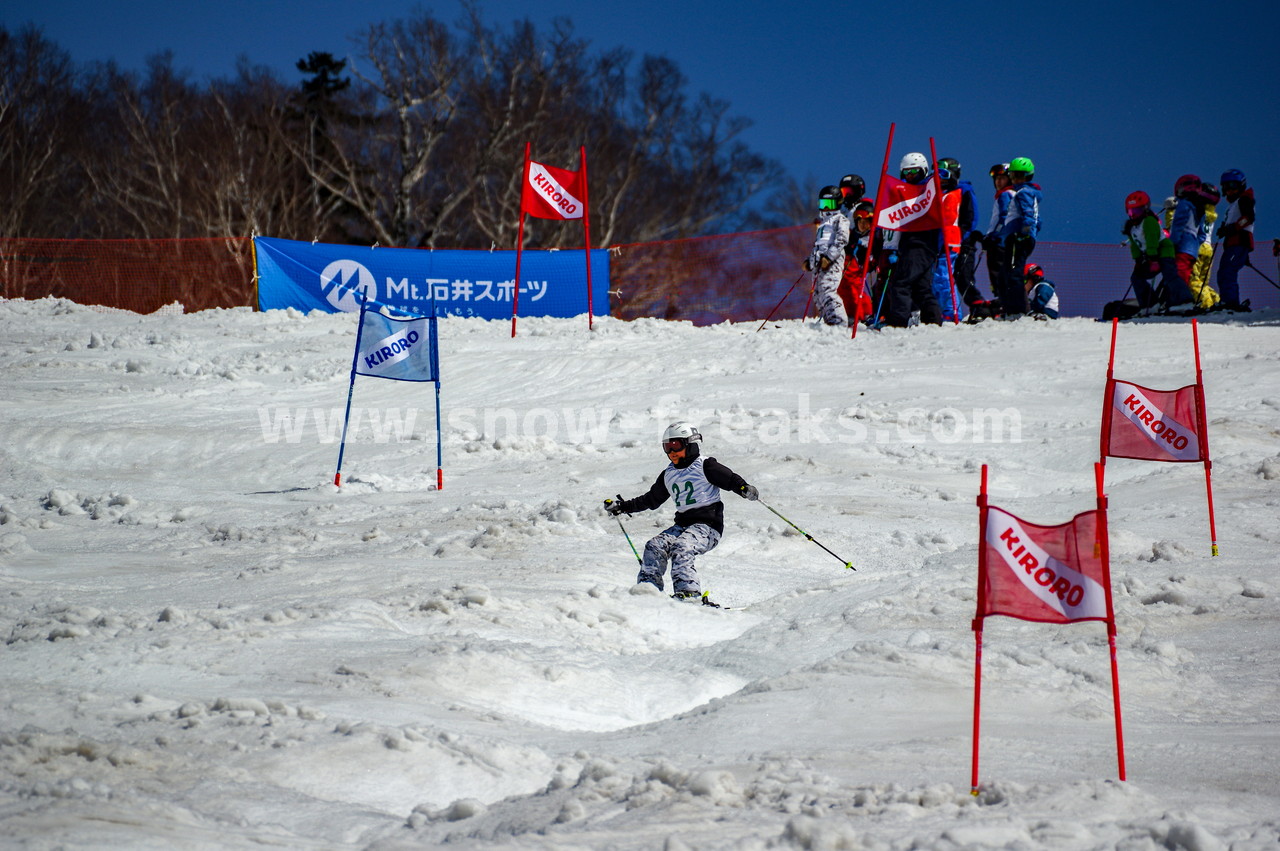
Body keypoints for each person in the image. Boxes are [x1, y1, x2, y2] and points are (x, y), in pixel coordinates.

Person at [605, 422, 757, 606]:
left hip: (708, 527)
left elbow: (730, 479)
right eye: (667, 447)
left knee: (682, 547)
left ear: (690, 443)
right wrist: (624, 507)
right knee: (655, 545)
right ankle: (648, 591)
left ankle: (688, 593)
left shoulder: (705, 466)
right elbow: (651, 499)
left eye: (675, 445)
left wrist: (743, 488)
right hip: (682, 526)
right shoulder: (668, 474)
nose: (671, 452)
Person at [883, 152, 943, 327]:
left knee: (900, 283)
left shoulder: (928, 189)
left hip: (921, 244)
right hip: (911, 245)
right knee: (920, 287)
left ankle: (898, 322)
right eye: (906, 173)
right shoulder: (904, 193)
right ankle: (932, 321)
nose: (910, 176)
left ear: (924, 170)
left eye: (914, 172)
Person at [996, 156, 1042, 317]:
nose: (1015, 179)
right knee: (1004, 274)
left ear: (1028, 176)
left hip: (1019, 237)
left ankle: (1018, 310)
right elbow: (1039, 220)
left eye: (1019, 176)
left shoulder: (1023, 193)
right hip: (1017, 237)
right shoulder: (1027, 193)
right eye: (1013, 175)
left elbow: (1029, 215)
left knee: (1013, 273)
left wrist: (1024, 234)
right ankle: (1009, 307)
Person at [930, 157, 974, 321]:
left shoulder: (959, 192)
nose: (939, 178)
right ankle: (939, 311)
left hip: (950, 241)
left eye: (943, 174)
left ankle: (952, 312)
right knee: (936, 279)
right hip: (936, 241)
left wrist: (964, 238)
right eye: (936, 174)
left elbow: (968, 219)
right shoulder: (937, 194)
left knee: (944, 278)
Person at [1122, 190, 1178, 310]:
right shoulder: (1131, 227)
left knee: (1169, 274)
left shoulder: (1149, 221)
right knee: (1136, 277)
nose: (1134, 215)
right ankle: (1150, 304)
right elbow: (1134, 245)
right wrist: (1138, 260)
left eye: (1137, 211)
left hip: (1163, 252)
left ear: (1145, 209)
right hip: (1149, 256)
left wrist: (1153, 257)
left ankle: (1182, 300)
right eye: (1131, 212)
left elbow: (1152, 238)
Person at [802, 185, 850, 326]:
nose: (827, 208)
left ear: (838, 204)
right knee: (817, 291)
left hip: (833, 260)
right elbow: (818, 246)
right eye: (824, 204)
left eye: (830, 204)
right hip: (819, 261)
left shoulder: (840, 220)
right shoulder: (823, 224)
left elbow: (842, 240)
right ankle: (828, 319)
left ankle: (839, 321)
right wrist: (810, 262)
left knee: (827, 288)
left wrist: (829, 258)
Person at [1168, 174, 1212, 311]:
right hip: (1192, 248)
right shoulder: (1199, 208)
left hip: (1182, 245)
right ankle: (1177, 302)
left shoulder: (1184, 205)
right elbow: (1202, 235)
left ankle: (1183, 302)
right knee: (1185, 274)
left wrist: (1173, 243)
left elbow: (1178, 225)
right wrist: (1195, 246)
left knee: (1177, 274)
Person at [1217, 169, 1256, 311]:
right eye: (1225, 187)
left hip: (1239, 242)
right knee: (1224, 271)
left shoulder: (1244, 199)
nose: (1229, 190)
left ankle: (1230, 303)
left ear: (1241, 185)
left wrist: (1231, 228)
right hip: (1234, 244)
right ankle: (1228, 302)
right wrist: (1225, 229)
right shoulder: (1234, 204)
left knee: (1227, 272)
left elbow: (1248, 218)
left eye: (1232, 185)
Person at [837, 200, 876, 325]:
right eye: (860, 223)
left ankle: (866, 313)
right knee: (846, 286)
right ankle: (852, 314)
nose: (863, 226)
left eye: (866, 223)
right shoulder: (853, 236)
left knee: (858, 290)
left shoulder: (875, 236)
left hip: (871, 272)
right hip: (856, 271)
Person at [1189, 182, 1222, 310]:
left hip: (1197, 247)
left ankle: (1206, 305)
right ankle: (1217, 301)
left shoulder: (1198, 209)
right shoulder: (1211, 212)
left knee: (1194, 281)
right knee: (1203, 283)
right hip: (1208, 249)